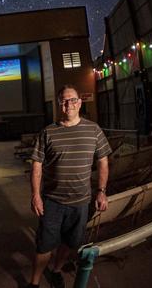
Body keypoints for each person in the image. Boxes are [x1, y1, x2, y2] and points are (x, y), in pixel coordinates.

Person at [27, 84, 111, 288]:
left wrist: (101, 192)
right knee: (44, 245)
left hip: (81, 202)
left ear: (80, 102)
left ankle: (56, 270)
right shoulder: (48, 132)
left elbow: (103, 162)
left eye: (72, 100)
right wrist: (36, 195)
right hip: (52, 201)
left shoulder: (93, 129)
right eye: (64, 101)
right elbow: (36, 165)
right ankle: (35, 283)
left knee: (70, 242)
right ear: (59, 105)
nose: (69, 104)